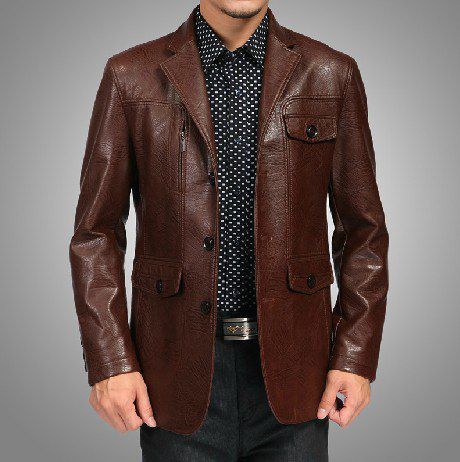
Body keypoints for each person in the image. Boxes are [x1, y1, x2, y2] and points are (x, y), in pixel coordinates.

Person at [69, 1, 389, 460]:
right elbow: (95, 234)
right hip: (172, 371)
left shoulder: (331, 74)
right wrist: (111, 361)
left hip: (298, 372)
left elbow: (364, 232)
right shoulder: (131, 76)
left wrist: (355, 355)